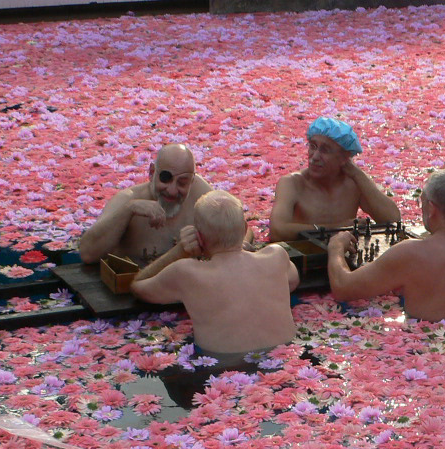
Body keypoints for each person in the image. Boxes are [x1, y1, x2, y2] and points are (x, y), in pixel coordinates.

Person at [131, 190, 299, 371]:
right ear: (244, 229)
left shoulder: (186, 272)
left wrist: (179, 251)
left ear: (199, 238)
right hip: (284, 360)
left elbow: (137, 286)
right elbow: (292, 282)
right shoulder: (276, 256)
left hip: (221, 367)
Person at [327, 168, 445, 322]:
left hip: (428, 344)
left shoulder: (410, 253)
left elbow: (343, 288)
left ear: (431, 208)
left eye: (422, 202)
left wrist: (336, 248)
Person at [267, 116, 400, 242]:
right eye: (313, 146)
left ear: (344, 158)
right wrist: (337, 228)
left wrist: (358, 174)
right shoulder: (292, 183)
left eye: (325, 150)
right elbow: (277, 232)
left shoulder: (353, 184)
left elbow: (393, 221)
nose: (315, 157)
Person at [77, 144, 212, 264]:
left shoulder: (202, 194)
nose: (172, 190)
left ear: (191, 181)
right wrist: (129, 210)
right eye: (165, 179)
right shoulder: (127, 199)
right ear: (152, 172)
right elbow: (87, 253)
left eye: (182, 183)